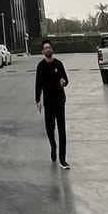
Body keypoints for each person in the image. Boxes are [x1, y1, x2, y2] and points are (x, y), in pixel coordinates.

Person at [35, 40, 70, 169]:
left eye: (49, 47)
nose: (48, 49)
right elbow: (38, 84)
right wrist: (38, 100)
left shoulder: (58, 64)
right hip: (48, 102)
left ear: (52, 49)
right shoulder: (41, 66)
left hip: (60, 101)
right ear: (43, 51)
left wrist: (64, 82)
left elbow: (66, 80)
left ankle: (62, 159)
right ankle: (53, 146)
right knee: (50, 129)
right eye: (45, 48)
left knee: (62, 130)